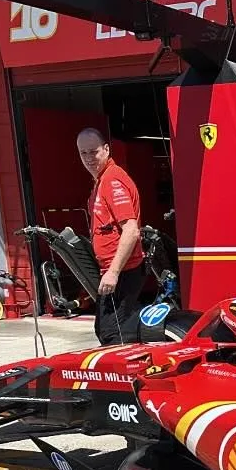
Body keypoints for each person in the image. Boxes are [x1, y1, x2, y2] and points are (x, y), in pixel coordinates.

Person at [77, 127, 145, 345]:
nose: (89, 158)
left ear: (106, 149)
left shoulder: (112, 180)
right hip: (113, 270)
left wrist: (113, 273)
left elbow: (131, 229)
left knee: (113, 335)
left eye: (94, 152)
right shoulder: (100, 181)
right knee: (105, 329)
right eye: (83, 153)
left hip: (123, 271)